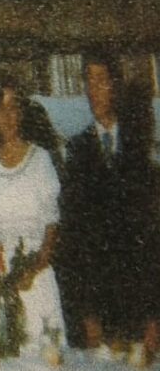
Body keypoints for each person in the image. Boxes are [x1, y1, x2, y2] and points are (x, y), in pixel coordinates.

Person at [59, 54, 158, 353]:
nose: (94, 90)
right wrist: (87, 314)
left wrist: (154, 316)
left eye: (101, 80)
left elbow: (152, 240)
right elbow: (74, 240)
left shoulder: (139, 149)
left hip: (137, 303)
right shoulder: (77, 150)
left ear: (115, 85)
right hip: (96, 307)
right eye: (89, 81)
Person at [0, 82, 65, 356]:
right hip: (2, 285)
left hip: (37, 279)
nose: (8, 115)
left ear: (22, 112)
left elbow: (52, 227)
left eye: (13, 107)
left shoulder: (41, 161)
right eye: (0, 108)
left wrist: (32, 270)